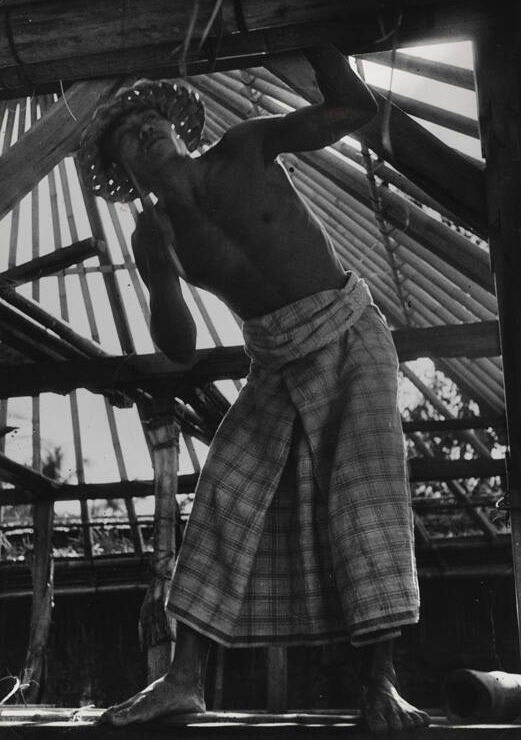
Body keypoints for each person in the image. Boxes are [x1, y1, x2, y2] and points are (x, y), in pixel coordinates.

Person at [78, 43, 430, 734]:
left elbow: (354, 110)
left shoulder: (245, 147)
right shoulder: (154, 233)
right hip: (274, 356)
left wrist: (322, 47)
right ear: (125, 170)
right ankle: (183, 681)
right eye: (127, 135)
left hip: (347, 329)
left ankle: (382, 685)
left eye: (150, 120)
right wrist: (161, 273)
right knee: (224, 490)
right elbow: (179, 348)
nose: (143, 131)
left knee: (364, 494)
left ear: (178, 127)